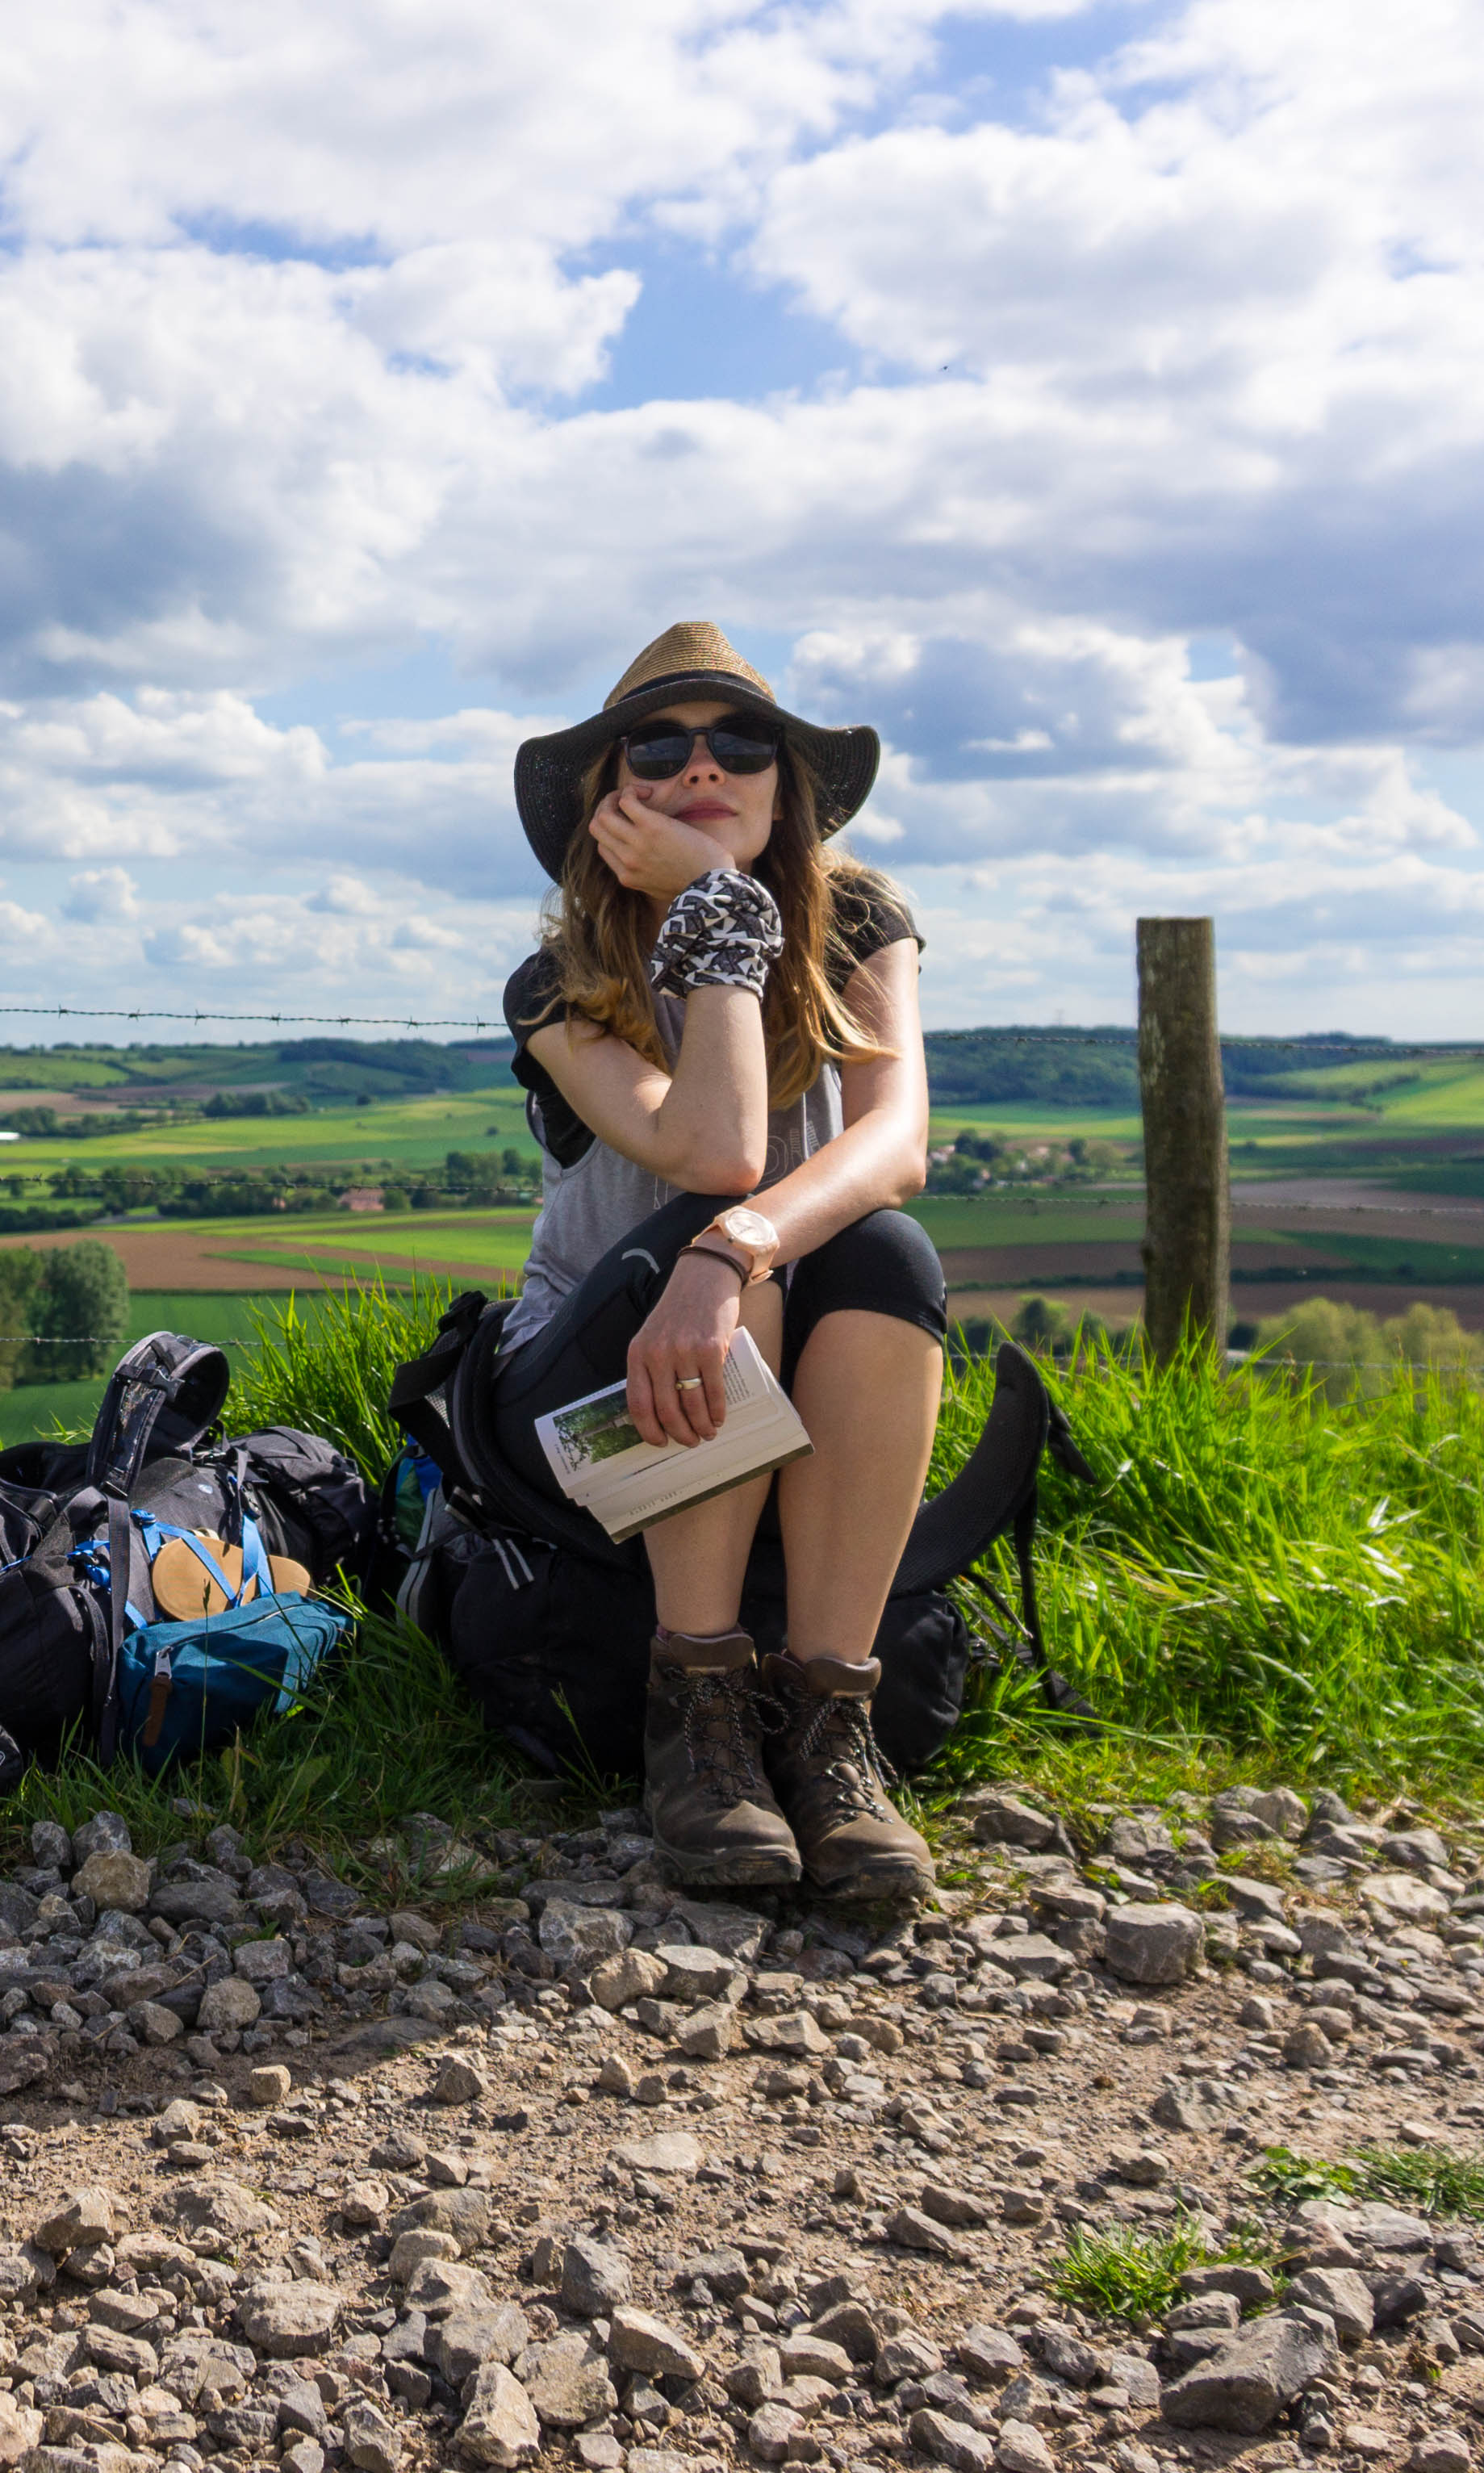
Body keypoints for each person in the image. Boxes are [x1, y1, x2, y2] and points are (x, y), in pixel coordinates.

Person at [492, 620, 947, 1902]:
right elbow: (716, 1149)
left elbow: (895, 1144)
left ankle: (828, 1730)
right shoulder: (558, 984)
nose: (707, 766)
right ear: (609, 792)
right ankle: (696, 1716)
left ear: (784, 782)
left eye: (742, 741)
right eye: (661, 745)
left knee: (887, 1254)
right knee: (723, 1252)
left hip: (755, 1336)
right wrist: (720, 911)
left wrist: (735, 1249)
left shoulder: (859, 923)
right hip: (590, 1387)